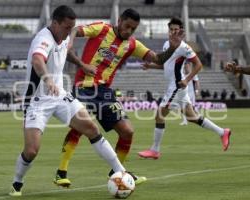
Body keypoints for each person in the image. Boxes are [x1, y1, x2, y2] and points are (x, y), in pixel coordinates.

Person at [53, 9, 183, 187]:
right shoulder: (101, 29)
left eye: (133, 28)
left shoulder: (132, 44)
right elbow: (75, 30)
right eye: (127, 26)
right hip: (84, 87)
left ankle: (118, 172)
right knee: (81, 127)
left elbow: (158, 59)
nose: (129, 31)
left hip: (105, 92)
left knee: (127, 131)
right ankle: (61, 172)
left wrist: (174, 48)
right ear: (120, 20)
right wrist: (70, 43)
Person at [9, 5, 129, 197]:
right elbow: (38, 60)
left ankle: (121, 171)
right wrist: (47, 79)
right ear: (54, 23)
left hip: (60, 95)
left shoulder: (62, 37)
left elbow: (66, 52)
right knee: (31, 151)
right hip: (37, 100)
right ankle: (17, 182)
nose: (69, 32)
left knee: (91, 129)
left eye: (72, 27)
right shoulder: (43, 39)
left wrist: (82, 64)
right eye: (66, 28)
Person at [138, 17, 231, 160]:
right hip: (174, 86)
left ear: (180, 31)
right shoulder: (166, 45)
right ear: (168, 31)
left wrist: (187, 80)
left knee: (160, 115)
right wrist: (150, 66)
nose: (173, 32)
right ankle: (222, 132)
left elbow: (198, 64)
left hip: (177, 86)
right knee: (192, 117)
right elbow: (165, 64)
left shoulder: (184, 47)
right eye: (171, 29)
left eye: (176, 29)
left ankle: (155, 150)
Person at [180, 60, 200, 126]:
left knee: (192, 107)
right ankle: (185, 121)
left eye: (187, 65)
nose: (186, 67)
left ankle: (199, 116)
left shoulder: (192, 74)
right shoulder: (181, 74)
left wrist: (197, 91)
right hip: (184, 94)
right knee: (182, 107)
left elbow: (197, 82)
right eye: (185, 65)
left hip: (191, 94)